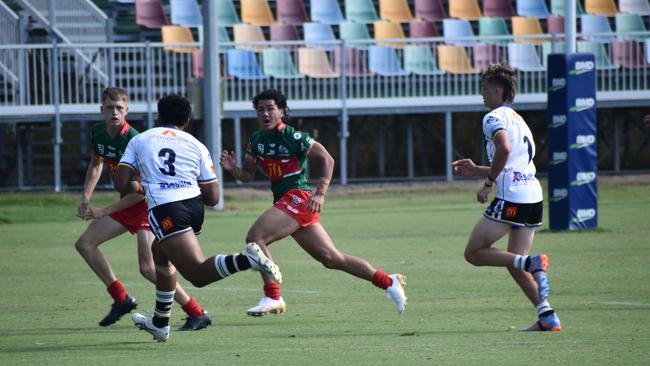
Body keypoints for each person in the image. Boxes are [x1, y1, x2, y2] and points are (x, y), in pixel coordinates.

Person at [219, 89, 407, 317]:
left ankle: (273, 295)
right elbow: (247, 175)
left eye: (270, 108)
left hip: (297, 198)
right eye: (260, 109)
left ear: (282, 111)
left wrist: (321, 192)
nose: (265, 113)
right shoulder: (256, 141)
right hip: (289, 205)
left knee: (255, 238)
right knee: (332, 259)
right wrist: (233, 169)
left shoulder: (293, 137)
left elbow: (327, 159)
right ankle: (389, 281)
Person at [115, 94, 282, 342]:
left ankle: (246, 260)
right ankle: (160, 323)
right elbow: (213, 196)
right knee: (160, 255)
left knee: (197, 274)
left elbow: (121, 183)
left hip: (166, 209)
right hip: (193, 207)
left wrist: (142, 188)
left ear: (159, 117)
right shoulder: (196, 144)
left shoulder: (140, 140)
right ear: (187, 122)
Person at [75, 87, 212, 331]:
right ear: (101, 110)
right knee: (85, 244)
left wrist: (103, 210)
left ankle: (196, 312)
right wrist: (86, 198)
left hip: (149, 204)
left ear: (127, 110)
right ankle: (121, 298)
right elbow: (96, 165)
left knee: (149, 268)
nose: (114, 112)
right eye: (109, 108)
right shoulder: (97, 133)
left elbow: (141, 192)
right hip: (126, 203)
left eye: (119, 108)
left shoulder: (137, 140)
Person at [451, 64, 561, 332]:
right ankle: (547, 315)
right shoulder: (519, 120)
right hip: (533, 196)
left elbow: (504, 148)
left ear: (497, 90)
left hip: (512, 197)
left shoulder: (492, 118)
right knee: (513, 262)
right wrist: (477, 169)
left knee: (473, 253)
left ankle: (532, 263)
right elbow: (513, 161)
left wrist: (486, 184)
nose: (482, 94)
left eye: (485, 88)